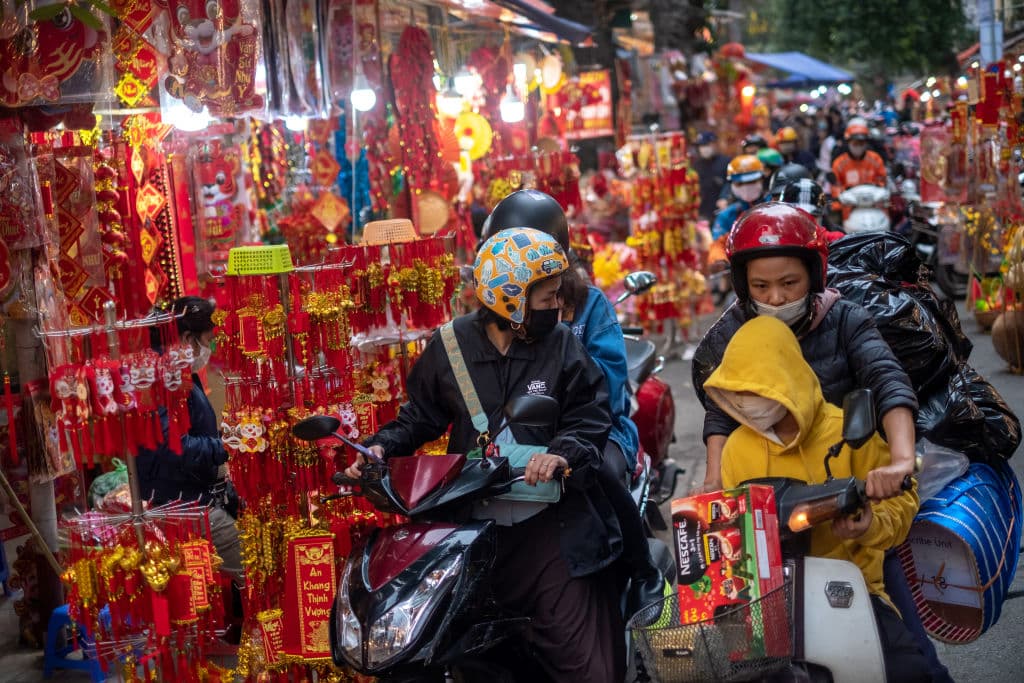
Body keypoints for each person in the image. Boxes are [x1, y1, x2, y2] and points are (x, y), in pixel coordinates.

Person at [691, 203, 954, 683]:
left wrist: (896, 463)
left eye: (789, 284)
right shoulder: (731, 337)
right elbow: (720, 414)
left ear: (813, 276)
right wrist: (713, 487)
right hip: (774, 542)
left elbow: (888, 381)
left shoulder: (847, 321)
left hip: (846, 491)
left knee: (910, 661)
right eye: (761, 286)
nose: (775, 297)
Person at [349, 228, 624, 682]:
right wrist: (381, 445)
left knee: (588, 668)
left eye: (557, 297)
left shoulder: (561, 345)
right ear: (511, 299)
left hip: (548, 531)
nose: (556, 307)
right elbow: (420, 416)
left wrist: (561, 453)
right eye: (546, 299)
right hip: (472, 533)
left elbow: (590, 417)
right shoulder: (450, 345)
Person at [703, 315, 930, 683]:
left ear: (788, 378)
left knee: (911, 671)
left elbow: (902, 505)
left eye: (759, 390)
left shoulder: (845, 431)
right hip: (767, 604)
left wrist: (870, 524)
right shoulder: (736, 450)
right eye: (739, 393)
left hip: (853, 589)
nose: (749, 403)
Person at [481, 189, 666, 615]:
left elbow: (609, 388)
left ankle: (643, 572)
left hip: (594, 429)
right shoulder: (491, 314)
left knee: (600, 472)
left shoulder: (589, 307)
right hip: (516, 436)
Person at [137, 297, 242, 587]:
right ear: (186, 338)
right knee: (250, 570)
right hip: (185, 505)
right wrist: (225, 448)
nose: (207, 349)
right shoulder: (163, 378)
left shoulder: (177, 373)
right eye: (206, 340)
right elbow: (173, 445)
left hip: (191, 498)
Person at [712, 154, 765, 241]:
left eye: (751, 182)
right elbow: (718, 246)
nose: (746, 187)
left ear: (762, 179)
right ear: (731, 184)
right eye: (740, 183)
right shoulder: (726, 215)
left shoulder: (773, 206)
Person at [832, 120, 888, 194]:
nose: (858, 146)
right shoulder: (839, 164)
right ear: (848, 142)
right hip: (848, 203)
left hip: (873, 202)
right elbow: (835, 188)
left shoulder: (875, 159)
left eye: (861, 143)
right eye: (855, 143)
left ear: (866, 143)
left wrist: (879, 187)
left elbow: (882, 181)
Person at [692, 131, 731, 221]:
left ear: (714, 144)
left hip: (722, 211)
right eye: (701, 146)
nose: (703, 148)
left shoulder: (726, 162)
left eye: (706, 145)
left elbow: (731, 183)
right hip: (703, 213)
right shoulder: (697, 165)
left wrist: (725, 198)